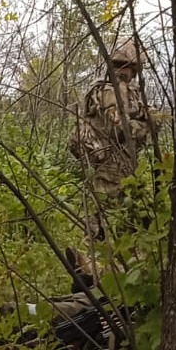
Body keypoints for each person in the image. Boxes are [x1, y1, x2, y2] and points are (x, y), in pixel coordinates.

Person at [68, 41, 155, 240]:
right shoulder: (114, 90)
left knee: (105, 220)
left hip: (112, 164)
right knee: (112, 225)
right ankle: (94, 266)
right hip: (114, 166)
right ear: (131, 66)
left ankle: (94, 264)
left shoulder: (105, 88)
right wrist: (148, 124)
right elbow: (118, 129)